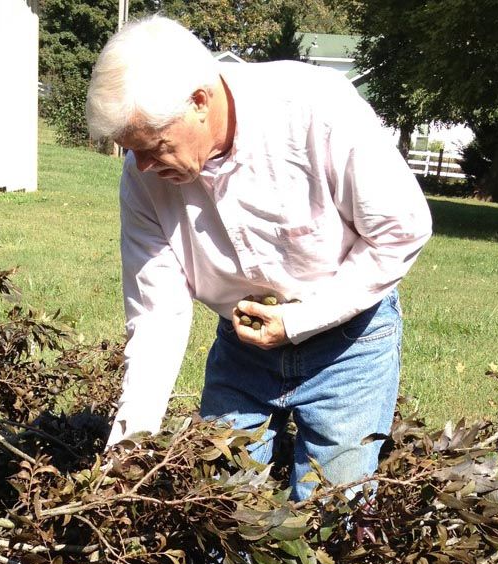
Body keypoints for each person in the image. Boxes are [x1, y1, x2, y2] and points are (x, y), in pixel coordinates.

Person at [86, 15, 432, 503]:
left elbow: (400, 231)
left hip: (349, 346)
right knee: (222, 506)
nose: (142, 166)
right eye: (132, 151)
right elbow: (157, 315)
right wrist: (127, 453)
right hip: (242, 348)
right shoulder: (143, 176)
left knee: (331, 513)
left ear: (200, 102)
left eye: (153, 146)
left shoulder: (315, 110)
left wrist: (298, 321)